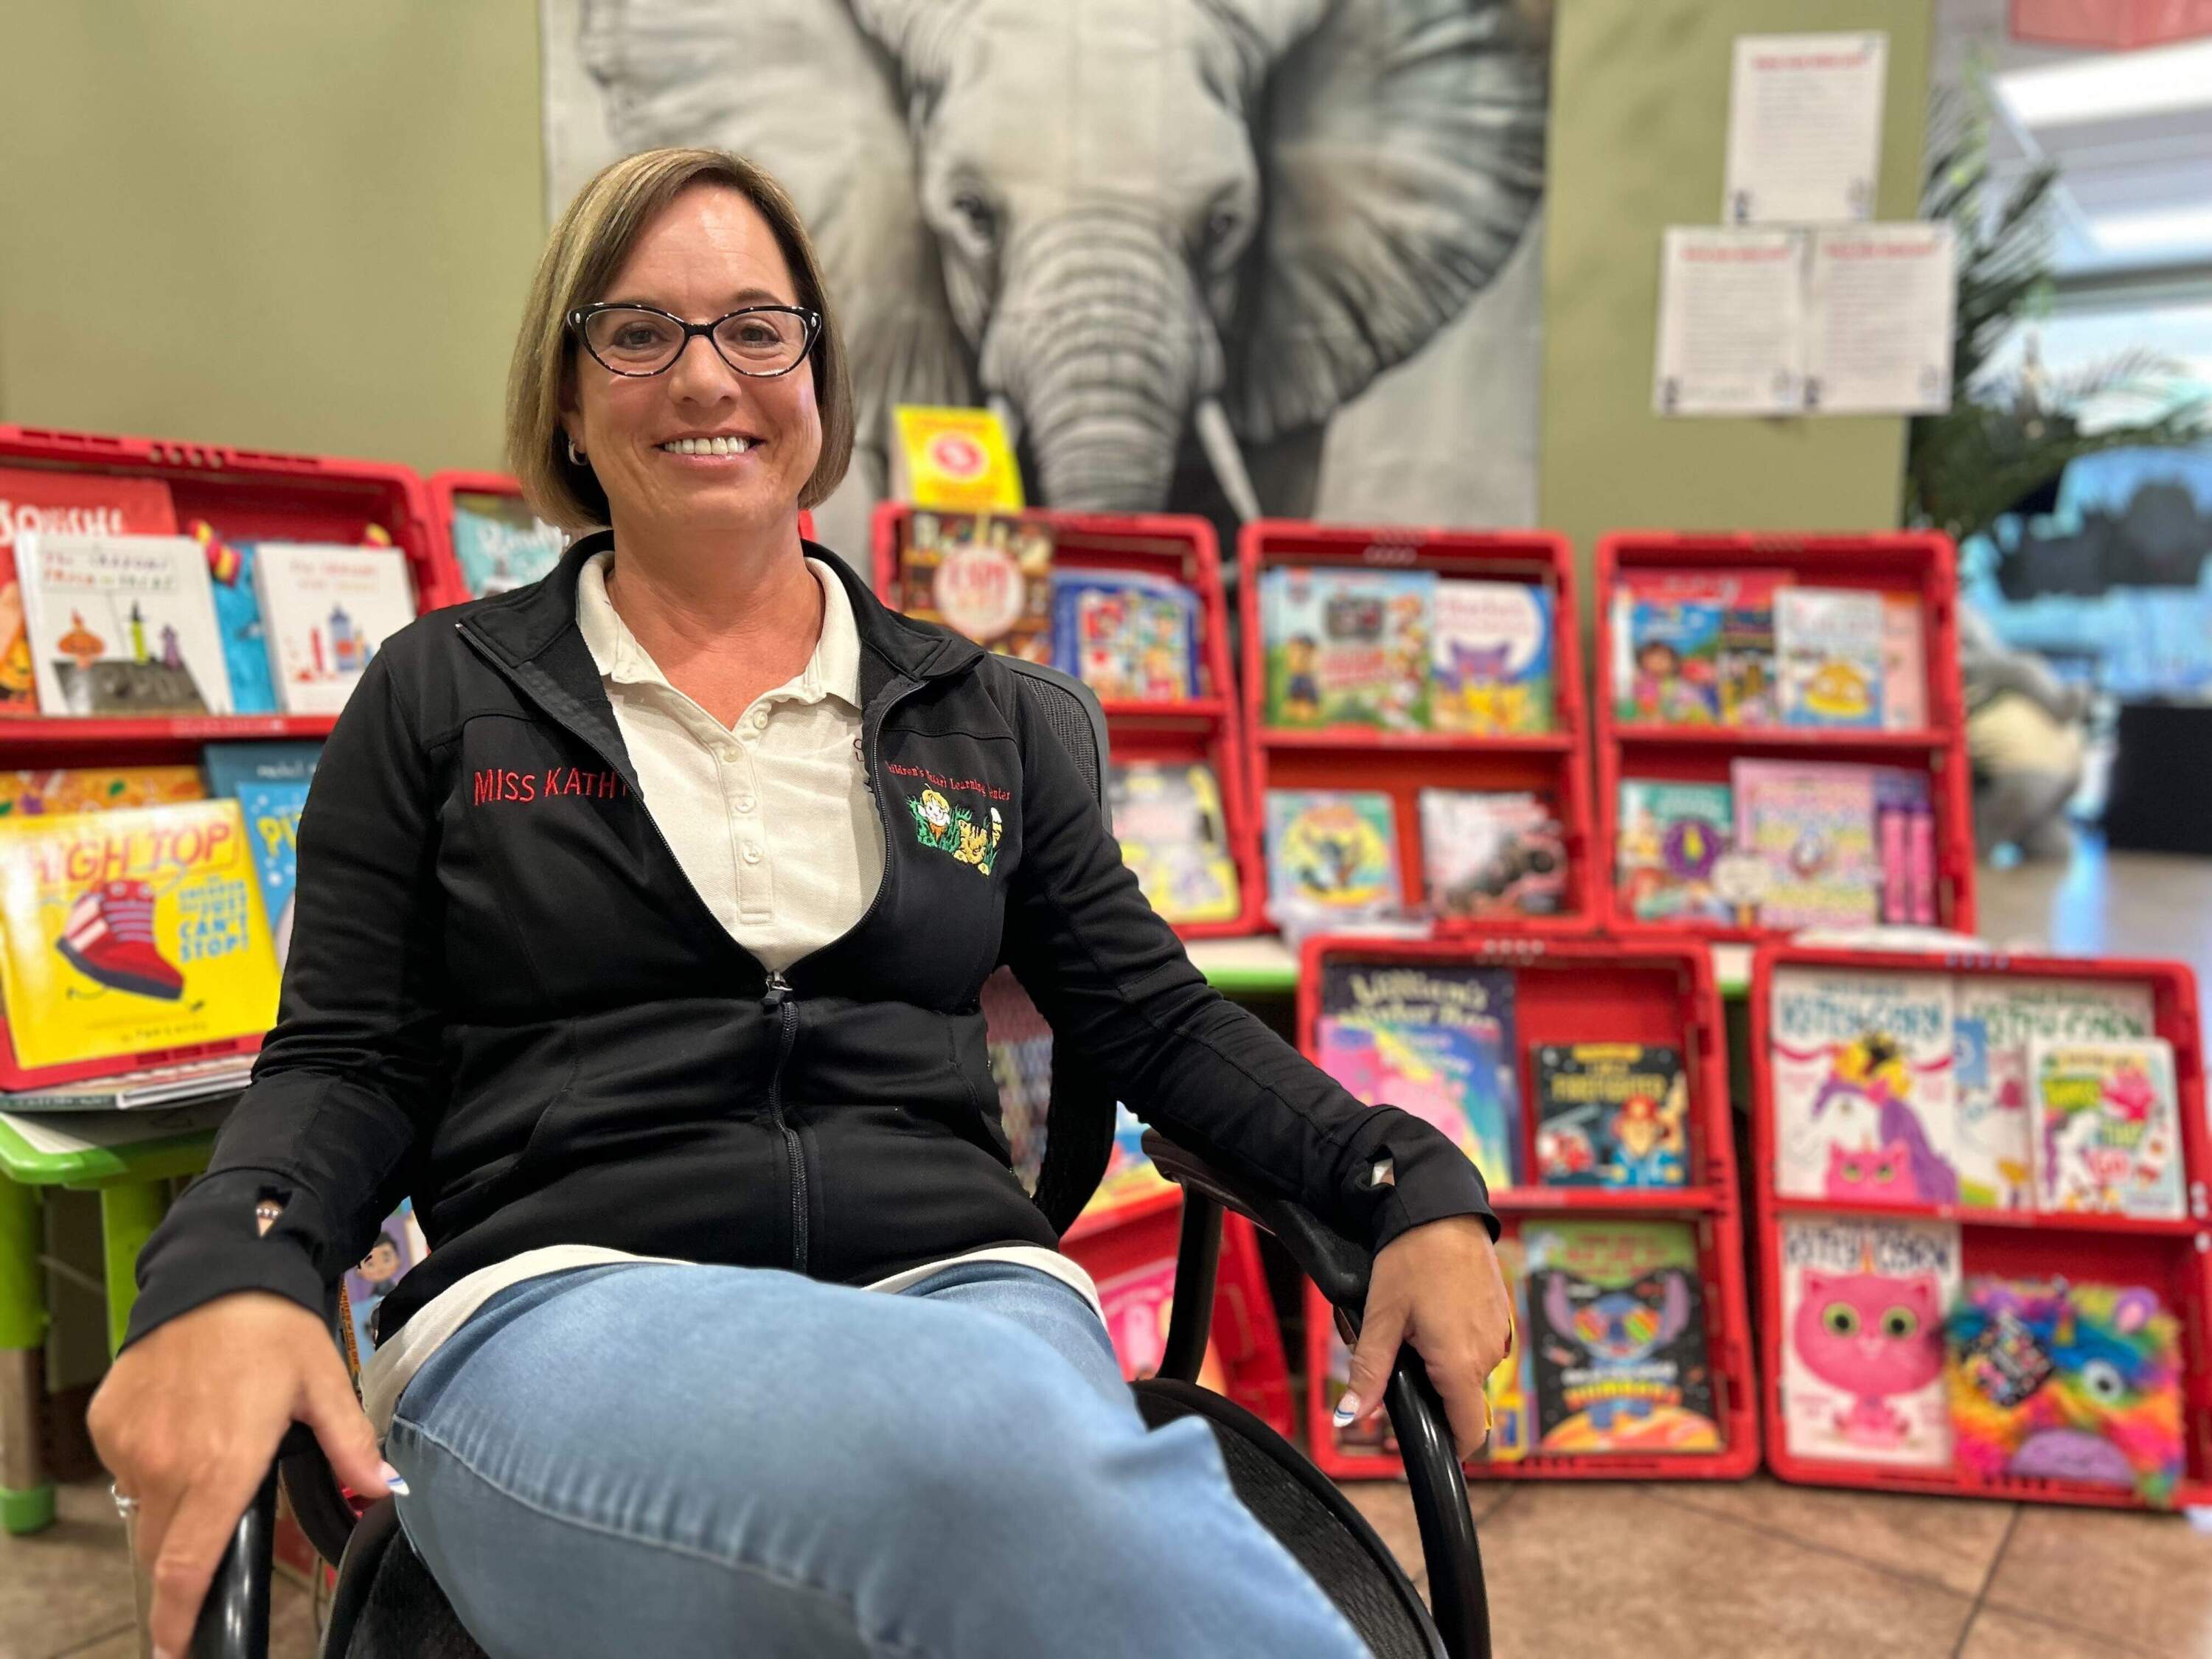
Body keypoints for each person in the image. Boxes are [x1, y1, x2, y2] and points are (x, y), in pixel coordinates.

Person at [88, 147, 1512, 1659]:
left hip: (975, 1297)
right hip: (565, 1313)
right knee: (995, 1461)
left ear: (820, 375)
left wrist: (1401, 1179)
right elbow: (346, 1062)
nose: (709, 378)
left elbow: (1153, 1021)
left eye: (758, 330)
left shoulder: (986, 716)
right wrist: (234, 1266)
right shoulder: (442, 698)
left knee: (993, 1448)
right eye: (638, 333)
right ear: (566, 396)